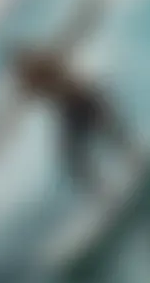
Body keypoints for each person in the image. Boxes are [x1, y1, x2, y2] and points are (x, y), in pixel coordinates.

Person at [9, 47, 131, 192]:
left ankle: (128, 158)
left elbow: (56, 78)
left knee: (108, 132)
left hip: (81, 100)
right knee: (75, 155)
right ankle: (100, 188)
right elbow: (30, 95)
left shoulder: (42, 67)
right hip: (74, 109)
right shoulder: (35, 77)